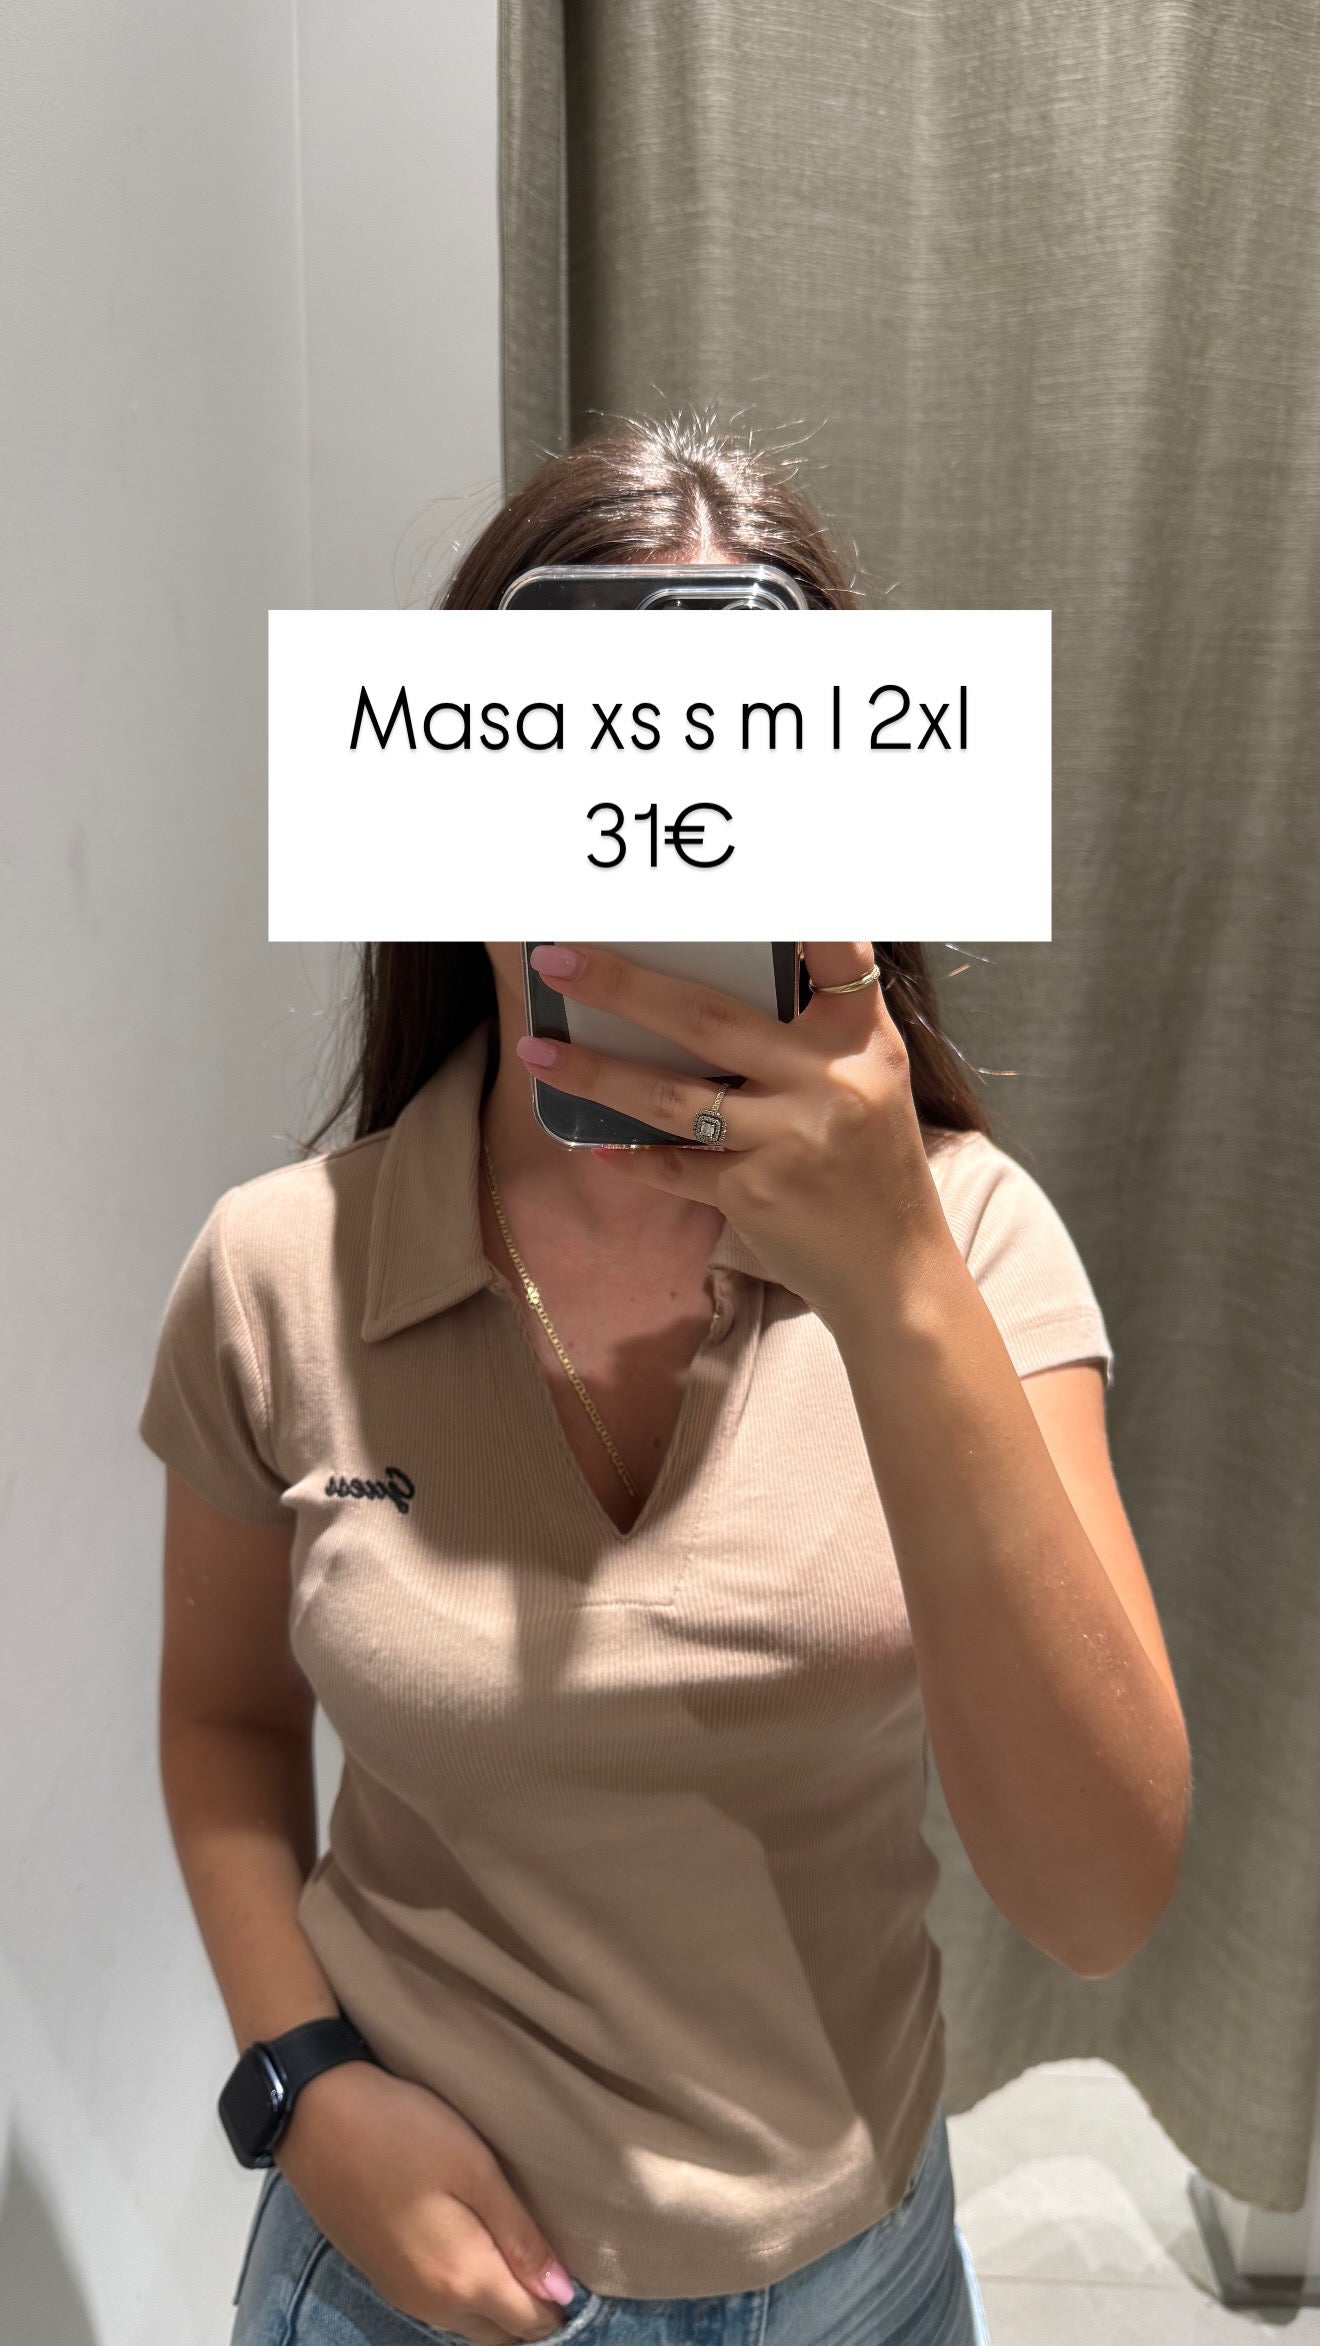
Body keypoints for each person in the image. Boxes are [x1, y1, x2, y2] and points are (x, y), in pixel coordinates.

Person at [139, 414, 1191, 2346]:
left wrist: (893, 1285)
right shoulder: (279, 1270)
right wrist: (302, 2084)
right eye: (562, 773)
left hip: (865, 2276)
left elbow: (1099, 1892)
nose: (638, 848)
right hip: (401, 2276)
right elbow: (220, 1725)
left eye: (729, 782)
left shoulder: (976, 1244)